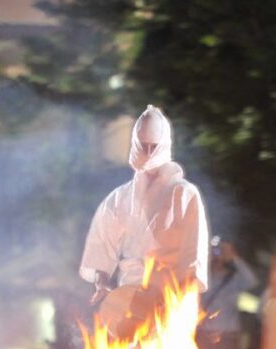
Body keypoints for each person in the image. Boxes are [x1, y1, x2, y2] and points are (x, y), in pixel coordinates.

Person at [79, 105, 209, 303]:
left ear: (164, 145)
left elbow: (194, 247)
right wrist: (102, 280)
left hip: (171, 293)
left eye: (153, 146)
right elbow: (102, 243)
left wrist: (184, 291)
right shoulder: (119, 198)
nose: (148, 153)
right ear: (135, 144)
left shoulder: (184, 194)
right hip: (129, 293)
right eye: (143, 145)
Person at [197, 237, 257, 349]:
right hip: (205, 336)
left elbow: (251, 280)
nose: (218, 256)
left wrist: (233, 257)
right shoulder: (204, 278)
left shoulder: (234, 279)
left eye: (220, 252)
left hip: (228, 337)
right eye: (214, 252)